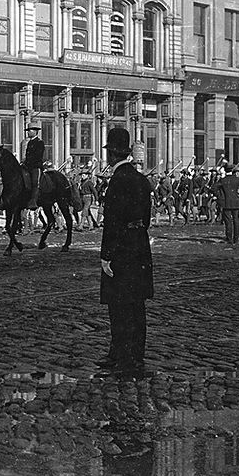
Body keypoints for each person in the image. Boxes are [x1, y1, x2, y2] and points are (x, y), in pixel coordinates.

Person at [98, 127, 154, 376]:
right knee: (137, 306)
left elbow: (112, 223)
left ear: (111, 155)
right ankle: (136, 355)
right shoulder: (142, 180)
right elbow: (147, 218)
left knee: (118, 306)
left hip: (120, 250)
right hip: (139, 247)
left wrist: (106, 255)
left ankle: (120, 353)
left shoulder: (117, 182)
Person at [213, 165, 239, 245]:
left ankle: (229, 238)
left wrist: (219, 196)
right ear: (232, 171)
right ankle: (236, 239)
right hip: (236, 202)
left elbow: (213, 188)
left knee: (228, 221)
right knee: (236, 221)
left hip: (226, 202)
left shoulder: (223, 180)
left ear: (226, 171)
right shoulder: (237, 180)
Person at [22, 123, 45, 209]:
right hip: (28, 166)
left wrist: (29, 163)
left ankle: (33, 201)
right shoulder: (29, 142)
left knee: (35, 182)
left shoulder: (40, 142)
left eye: (30, 131)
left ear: (35, 132)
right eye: (28, 131)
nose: (28, 133)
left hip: (36, 166)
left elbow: (38, 156)